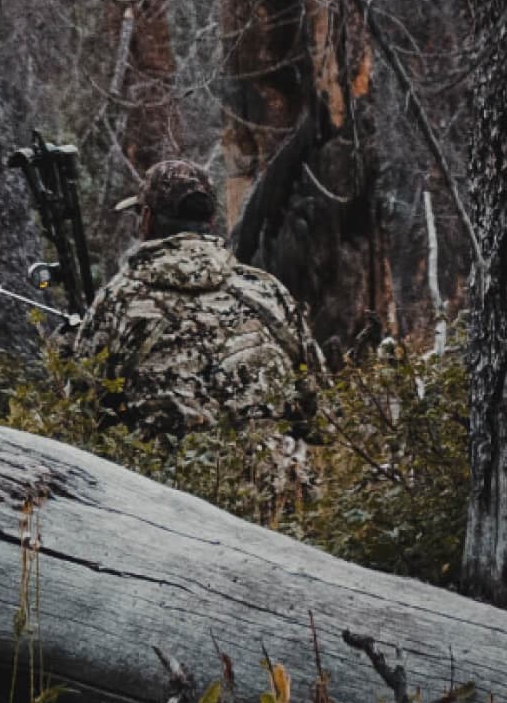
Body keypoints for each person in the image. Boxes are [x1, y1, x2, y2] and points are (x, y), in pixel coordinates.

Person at [72, 158, 326, 480]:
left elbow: (81, 415)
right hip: (272, 495)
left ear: (146, 220)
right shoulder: (267, 291)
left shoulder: (117, 301)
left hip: (164, 497)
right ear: (211, 220)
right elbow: (319, 411)